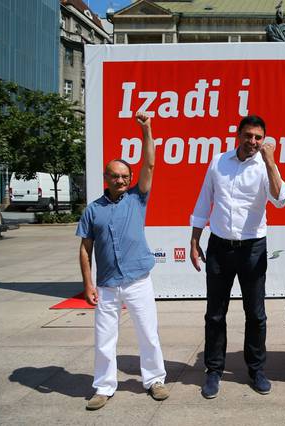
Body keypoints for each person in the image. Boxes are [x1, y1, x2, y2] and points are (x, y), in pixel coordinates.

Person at [190, 115, 285, 399]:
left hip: (253, 249)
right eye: (248, 136)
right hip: (220, 247)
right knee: (215, 314)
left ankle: (256, 369)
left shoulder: (265, 165)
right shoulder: (218, 162)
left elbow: (281, 199)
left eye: (258, 137)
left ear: (264, 139)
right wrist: (195, 239)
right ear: (238, 135)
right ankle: (213, 370)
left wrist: (270, 162)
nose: (253, 142)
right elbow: (203, 200)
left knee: (256, 314)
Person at [76, 112, 169, 410]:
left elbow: (150, 164)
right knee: (104, 338)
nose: (120, 180)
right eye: (114, 175)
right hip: (107, 285)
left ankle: (155, 380)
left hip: (138, 279)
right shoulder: (93, 210)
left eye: (124, 176)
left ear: (130, 179)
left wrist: (146, 131)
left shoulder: (137, 199)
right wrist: (87, 283)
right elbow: (84, 248)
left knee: (148, 333)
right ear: (105, 178)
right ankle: (103, 387)